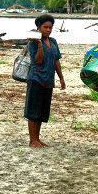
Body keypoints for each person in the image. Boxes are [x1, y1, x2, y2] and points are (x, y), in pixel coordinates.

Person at [25, 14, 65, 147]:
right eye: (45, 27)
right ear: (38, 28)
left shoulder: (53, 42)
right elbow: (38, 60)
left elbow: (56, 60)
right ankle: (33, 140)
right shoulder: (33, 42)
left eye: (50, 27)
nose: (48, 30)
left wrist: (61, 78)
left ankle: (37, 138)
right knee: (33, 110)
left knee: (42, 111)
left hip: (48, 80)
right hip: (36, 78)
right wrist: (40, 45)